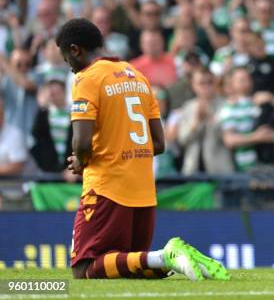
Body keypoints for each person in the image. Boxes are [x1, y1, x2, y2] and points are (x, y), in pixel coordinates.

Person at [55, 18, 228, 281]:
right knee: (130, 268)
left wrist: (80, 161)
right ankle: (188, 260)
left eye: (66, 57)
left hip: (106, 188)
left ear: (75, 50)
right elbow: (158, 143)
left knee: (84, 269)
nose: (68, 66)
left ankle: (167, 255)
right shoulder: (137, 75)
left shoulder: (87, 79)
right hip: (144, 191)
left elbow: (81, 144)